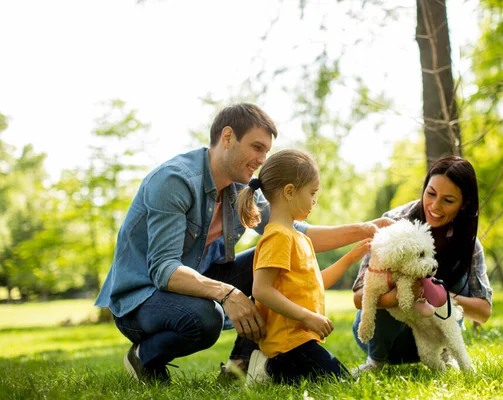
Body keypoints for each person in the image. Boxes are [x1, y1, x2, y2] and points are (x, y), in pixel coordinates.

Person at [94, 103, 392, 384]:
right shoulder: (176, 181)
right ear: (227, 137)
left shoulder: (240, 188)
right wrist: (228, 294)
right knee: (205, 318)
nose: (263, 159)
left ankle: (241, 365)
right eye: (257, 147)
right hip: (141, 299)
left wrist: (364, 229)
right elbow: (164, 269)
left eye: (266, 150)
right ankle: (144, 357)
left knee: (264, 260)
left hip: (193, 285)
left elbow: (294, 231)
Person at [238, 149, 372, 384]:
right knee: (342, 382)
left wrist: (350, 258)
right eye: (312, 193)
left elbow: (315, 284)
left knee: (337, 377)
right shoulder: (278, 237)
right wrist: (307, 316)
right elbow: (261, 289)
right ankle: (269, 368)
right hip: (289, 344)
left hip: (301, 340)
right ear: (289, 191)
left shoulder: (299, 238)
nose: (314, 201)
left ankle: (269, 368)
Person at [351, 156, 493, 372]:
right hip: (387, 341)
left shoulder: (468, 244)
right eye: (431, 193)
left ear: (464, 204)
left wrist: (440, 295)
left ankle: (446, 356)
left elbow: (483, 312)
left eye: (448, 200)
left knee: (457, 275)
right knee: (383, 281)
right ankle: (375, 362)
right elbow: (359, 296)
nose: (435, 206)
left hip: (434, 337)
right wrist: (399, 295)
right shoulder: (394, 224)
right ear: (424, 187)